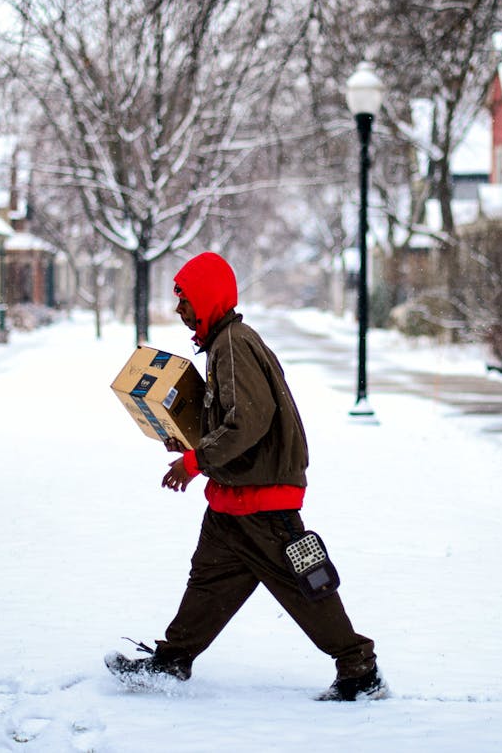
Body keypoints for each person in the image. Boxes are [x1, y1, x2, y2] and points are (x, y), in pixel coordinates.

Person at [105, 251, 385, 702]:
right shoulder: (223, 344)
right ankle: (173, 660)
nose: (179, 309)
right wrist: (189, 442)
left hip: (263, 502)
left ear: (209, 298)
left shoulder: (233, 344)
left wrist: (195, 463)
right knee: (208, 582)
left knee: (305, 589)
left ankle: (359, 669)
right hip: (234, 500)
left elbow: (248, 422)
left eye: (185, 299)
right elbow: (230, 421)